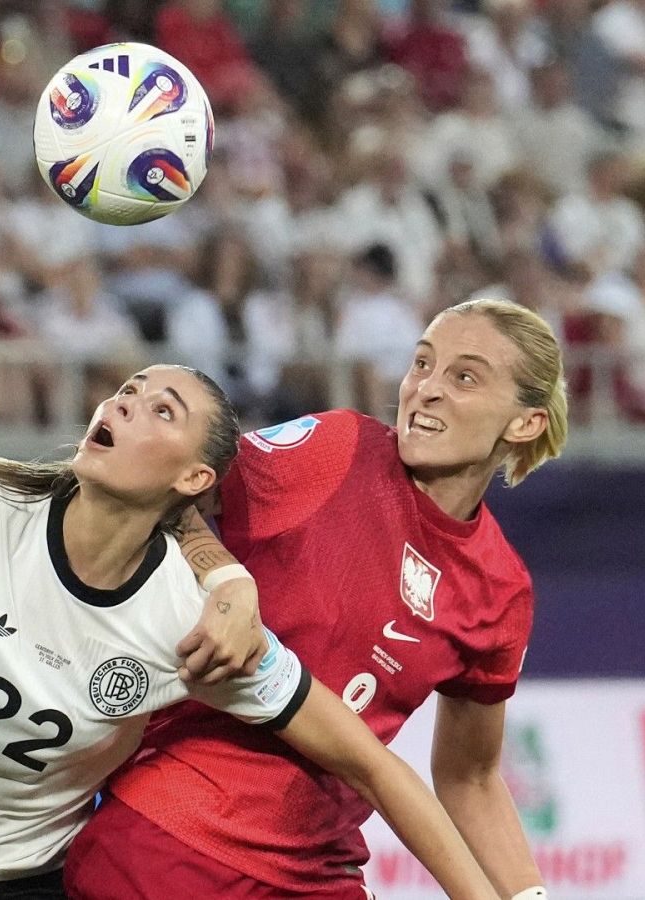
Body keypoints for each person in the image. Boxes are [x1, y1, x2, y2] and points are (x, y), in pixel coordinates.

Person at [0, 365, 501, 900]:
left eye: (163, 410)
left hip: (12, 878)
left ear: (196, 480)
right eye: (128, 391)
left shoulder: (189, 622)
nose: (124, 404)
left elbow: (376, 767)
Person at [66, 300, 565, 900]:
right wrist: (228, 582)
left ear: (525, 423)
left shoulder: (501, 589)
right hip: (173, 838)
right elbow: (175, 486)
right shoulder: (340, 449)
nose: (425, 390)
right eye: (422, 364)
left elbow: (470, 776)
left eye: (464, 377)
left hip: (320, 872)